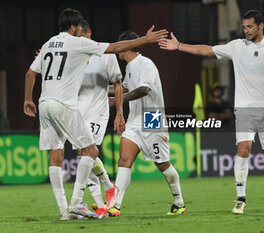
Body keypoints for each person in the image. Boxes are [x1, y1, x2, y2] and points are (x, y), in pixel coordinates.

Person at [23, 8, 168, 220]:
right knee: (89, 152)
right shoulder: (78, 43)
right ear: (73, 27)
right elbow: (115, 48)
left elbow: (29, 73)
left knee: (64, 155)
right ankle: (79, 202)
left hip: (45, 104)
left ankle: (71, 210)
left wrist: (28, 99)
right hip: (70, 107)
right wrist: (144, 40)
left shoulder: (48, 44)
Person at [159, 10, 264, 214]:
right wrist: (179, 46)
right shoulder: (237, 47)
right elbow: (208, 50)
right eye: (244, 27)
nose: (246, 30)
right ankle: (240, 198)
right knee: (243, 149)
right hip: (245, 109)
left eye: (250, 26)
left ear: (260, 26)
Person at [108, 31, 186, 216]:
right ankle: (115, 206)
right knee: (124, 161)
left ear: (128, 45)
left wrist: (118, 100)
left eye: (120, 45)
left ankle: (179, 202)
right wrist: (100, 88)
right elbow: (125, 87)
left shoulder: (146, 64)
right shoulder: (129, 67)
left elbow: (143, 89)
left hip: (152, 118)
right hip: (134, 120)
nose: (117, 49)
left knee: (162, 164)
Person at [74, 20, 123, 218]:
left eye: (80, 36)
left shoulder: (105, 53)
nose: (77, 40)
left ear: (89, 33)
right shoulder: (73, 56)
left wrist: (119, 113)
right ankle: (105, 197)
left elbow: (117, 84)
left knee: (88, 153)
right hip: (77, 113)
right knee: (83, 155)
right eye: (74, 37)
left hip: (98, 112)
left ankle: (94, 199)